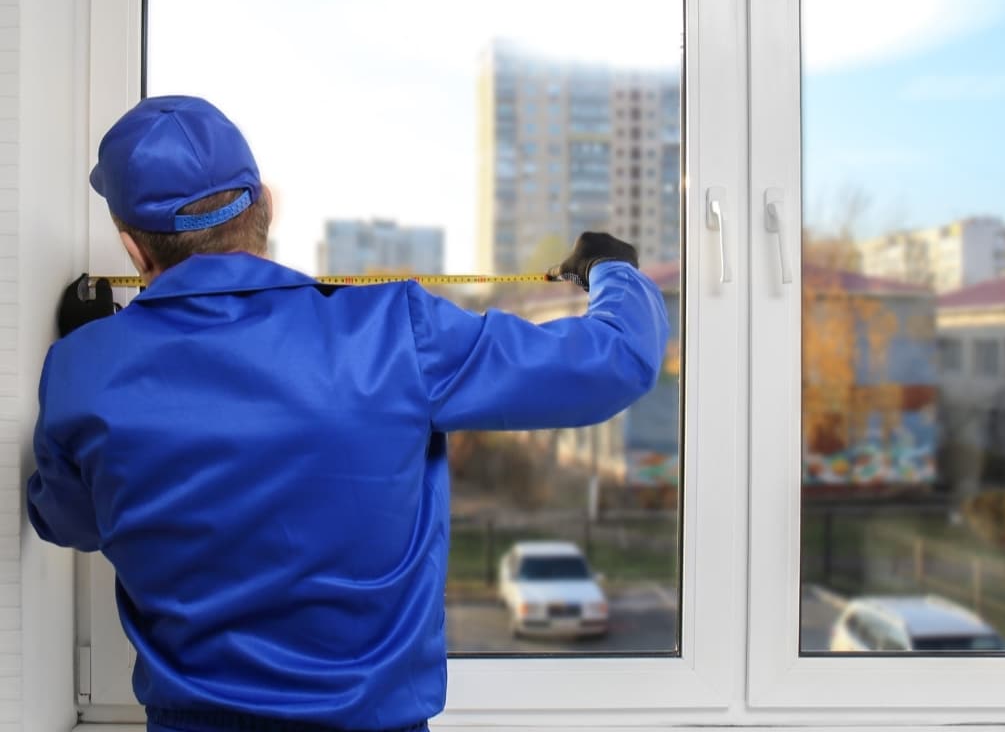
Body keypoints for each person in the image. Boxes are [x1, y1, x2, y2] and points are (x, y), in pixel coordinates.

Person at [28, 95, 669, 732]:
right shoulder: (393, 332)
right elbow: (615, 361)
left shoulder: (83, 370)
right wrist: (612, 269)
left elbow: (69, 520)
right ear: (264, 208)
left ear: (134, 249)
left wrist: (93, 352)